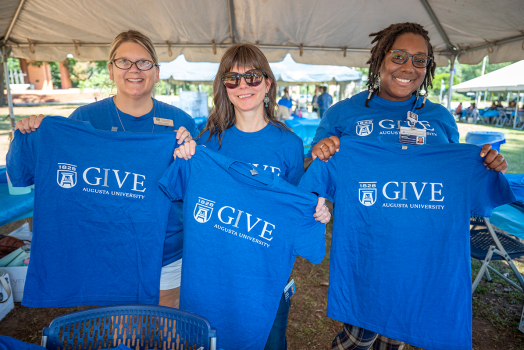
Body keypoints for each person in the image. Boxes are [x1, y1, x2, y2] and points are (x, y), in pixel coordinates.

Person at [303, 22, 507, 350]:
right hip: (366, 252)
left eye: (419, 60)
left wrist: (486, 165)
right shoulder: (343, 112)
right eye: (399, 56)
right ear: (381, 58)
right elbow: (316, 172)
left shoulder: (440, 117)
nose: (408, 67)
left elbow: (453, 173)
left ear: (428, 68)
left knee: (395, 337)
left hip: (421, 256)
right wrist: (321, 151)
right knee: (358, 338)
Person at [15, 30, 197, 309]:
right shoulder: (83, 121)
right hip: (107, 251)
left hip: (167, 252)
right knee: (125, 333)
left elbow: (197, 189)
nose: (134, 70)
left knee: (168, 332)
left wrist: (188, 152)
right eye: (124, 62)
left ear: (157, 72)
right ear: (111, 70)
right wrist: (35, 132)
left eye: (144, 63)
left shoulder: (181, 123)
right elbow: (25, 173)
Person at [174, 43, 331, 350]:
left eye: (253, 77)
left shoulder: (288, 143)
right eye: (233, 79)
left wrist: (317, 212)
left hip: (265, 277)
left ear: (268, 83)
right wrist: (184, 156)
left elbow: (295, 204)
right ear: (223, 86)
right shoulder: (206, 142)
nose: (243, 86)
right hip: (215, 272)